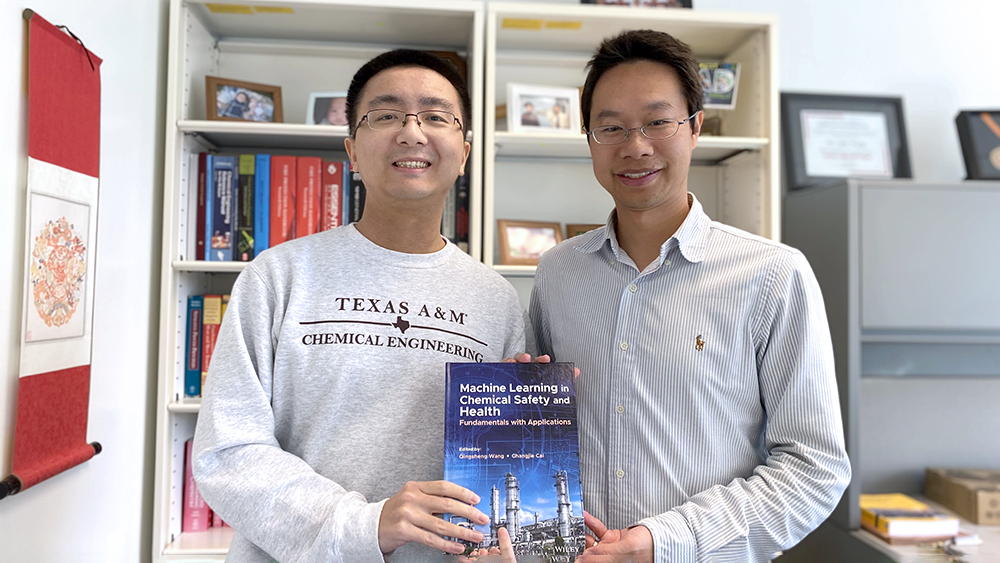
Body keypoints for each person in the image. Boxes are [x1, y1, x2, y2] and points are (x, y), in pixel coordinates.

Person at [193, 49, 532, 563]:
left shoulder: (497, 300)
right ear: (352, 152)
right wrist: (364, 524)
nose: (412, 133)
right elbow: (228, 453)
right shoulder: (279, 275)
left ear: (462, 155)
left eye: (435, 117)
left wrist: (528, 420)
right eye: (387, 115)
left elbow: (499, 471)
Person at [529, 29, 851, 562]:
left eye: (658, 121)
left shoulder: (773, 274)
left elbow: (814, 468)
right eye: (610, 127)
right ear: (589, 138)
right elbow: (541, 433)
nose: (635, 147)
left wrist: (663, 542)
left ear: (695, 127)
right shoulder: (558, 271)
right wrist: (515, 405)